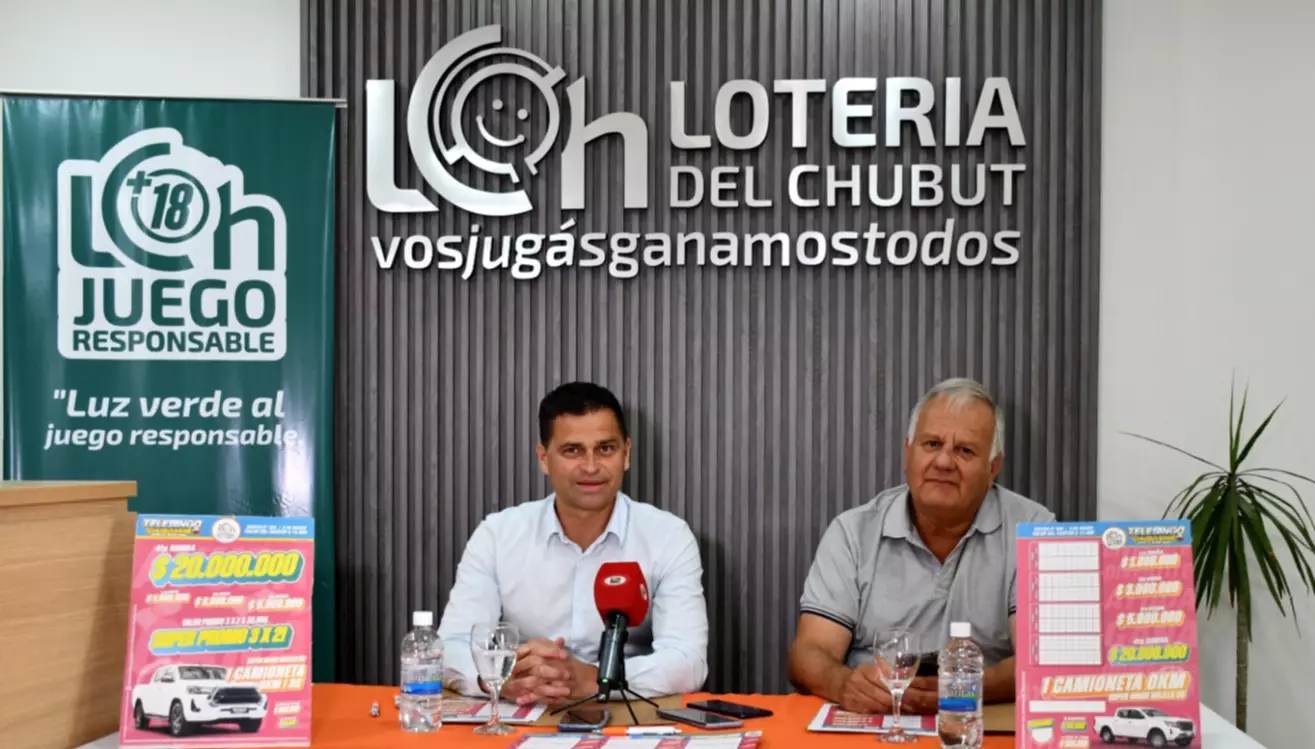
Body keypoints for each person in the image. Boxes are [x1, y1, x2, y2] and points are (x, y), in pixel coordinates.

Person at [787, 377, 1054, 715]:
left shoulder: (1033, 529)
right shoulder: (853, 532)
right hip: (875, 718)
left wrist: (960, 689)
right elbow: (810, 651)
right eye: (932, 444)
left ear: (992, 468)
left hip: (978, 720)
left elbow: (1043, 659)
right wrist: (842, 684)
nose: (943, 462)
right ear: (908, 453)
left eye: (965, 450)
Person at [438, 381, 709, 705]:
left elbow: (688, 661)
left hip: (625, 710)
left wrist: (594, 679)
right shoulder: (497, 535)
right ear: (543, 458)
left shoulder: (668, 537)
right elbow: (450, 645)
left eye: (605, 449)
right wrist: (501, 678)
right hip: (525, 706)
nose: (591, 467)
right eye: (572, 450)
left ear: (626, 454)